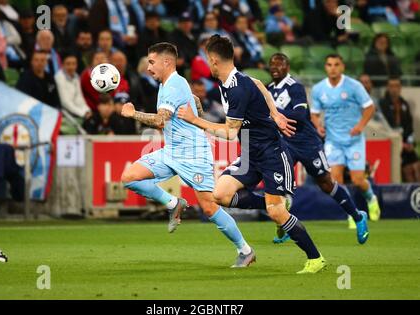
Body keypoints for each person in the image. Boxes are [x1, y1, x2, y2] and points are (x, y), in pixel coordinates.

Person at [178, 35, 326, 274]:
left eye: (207, 60)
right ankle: (274, 202)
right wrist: (275, 112)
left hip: (271, 153)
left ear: (214, 60)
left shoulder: (236, 89)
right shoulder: (233, 80)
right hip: (249, 152)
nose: (207, 64)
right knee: (220, 194)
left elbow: (229, 132)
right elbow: (258, 83)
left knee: (276, 212)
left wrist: (195, 120)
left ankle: (315, 258)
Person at [119, 42, 255, 268]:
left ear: (167, 62)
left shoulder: (172, 86)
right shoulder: (170, 83)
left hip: (193, 154)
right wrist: (195, 105)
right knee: (129, 177)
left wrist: (133, 113)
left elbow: (160, 120)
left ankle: (245, 250)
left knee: (210, 207)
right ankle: (173, 203)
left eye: (152, 62)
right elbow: (196, 103)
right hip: (172, 151)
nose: (148, 68)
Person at [264, 53, 369, 245]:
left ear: (287, 67)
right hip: (284, 143)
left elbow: (301, 114)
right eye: (272, 64)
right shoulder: (268, 90)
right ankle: (287, 225)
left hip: (307, 143)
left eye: (280, 64)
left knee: (326, 183)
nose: (275, 67)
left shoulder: (294, 87)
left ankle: (358, 216)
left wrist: (274, 114)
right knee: (280, 184)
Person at [310, 54, 381, 226]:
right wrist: (318, 125)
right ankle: (353, 214)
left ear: (342, 67)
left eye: (336, 64)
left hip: (353, 140)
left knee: (358, 180)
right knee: (336, 179)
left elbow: (370, 107)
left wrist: (360, 126)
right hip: (333, 141)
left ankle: (371, 198)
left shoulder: (354, 86)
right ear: (325, 67)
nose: (332, 68)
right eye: (329, 64)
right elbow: (314, 113)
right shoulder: (319, 89)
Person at [379, 77, 420, 182]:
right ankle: (411, 192)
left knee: (417, 166)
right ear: (387, 88)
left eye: (397, 86)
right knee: (408, 170)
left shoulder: (404, 104)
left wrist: (410, 143)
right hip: (391, 143)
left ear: (400, 88)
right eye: (391, 86)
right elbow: (382, 128)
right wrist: (401, 143)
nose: (394, 89)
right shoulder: (382, 104)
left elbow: (409, 128)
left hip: (406, 144)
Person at [55, 52, 91, 119]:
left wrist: (87, 110)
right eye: (68, 64)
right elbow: (65, 103)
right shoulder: (59, 77)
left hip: (76, 112)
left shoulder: (76, 76)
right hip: (64, 114)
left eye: (74, 64)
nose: (71, 67)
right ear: (62, 65)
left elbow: (79, 97)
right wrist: (82, 113)